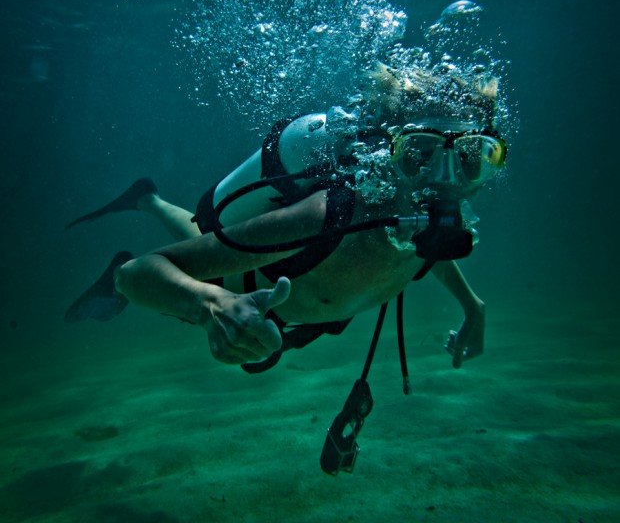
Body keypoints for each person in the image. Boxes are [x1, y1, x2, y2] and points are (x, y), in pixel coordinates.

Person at [65, 61, 506, 472]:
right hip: (249, 292)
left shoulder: (427, 217)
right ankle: (148, 207)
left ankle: (147, 199)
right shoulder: (327, 218)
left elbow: (427, 251)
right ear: (389, 155)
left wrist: (472, 305)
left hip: (302, 310)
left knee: (202, 235)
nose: (445, 181)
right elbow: (139, 273)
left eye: (470, 158)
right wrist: (210, 305)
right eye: (419, 155)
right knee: (200, 245)